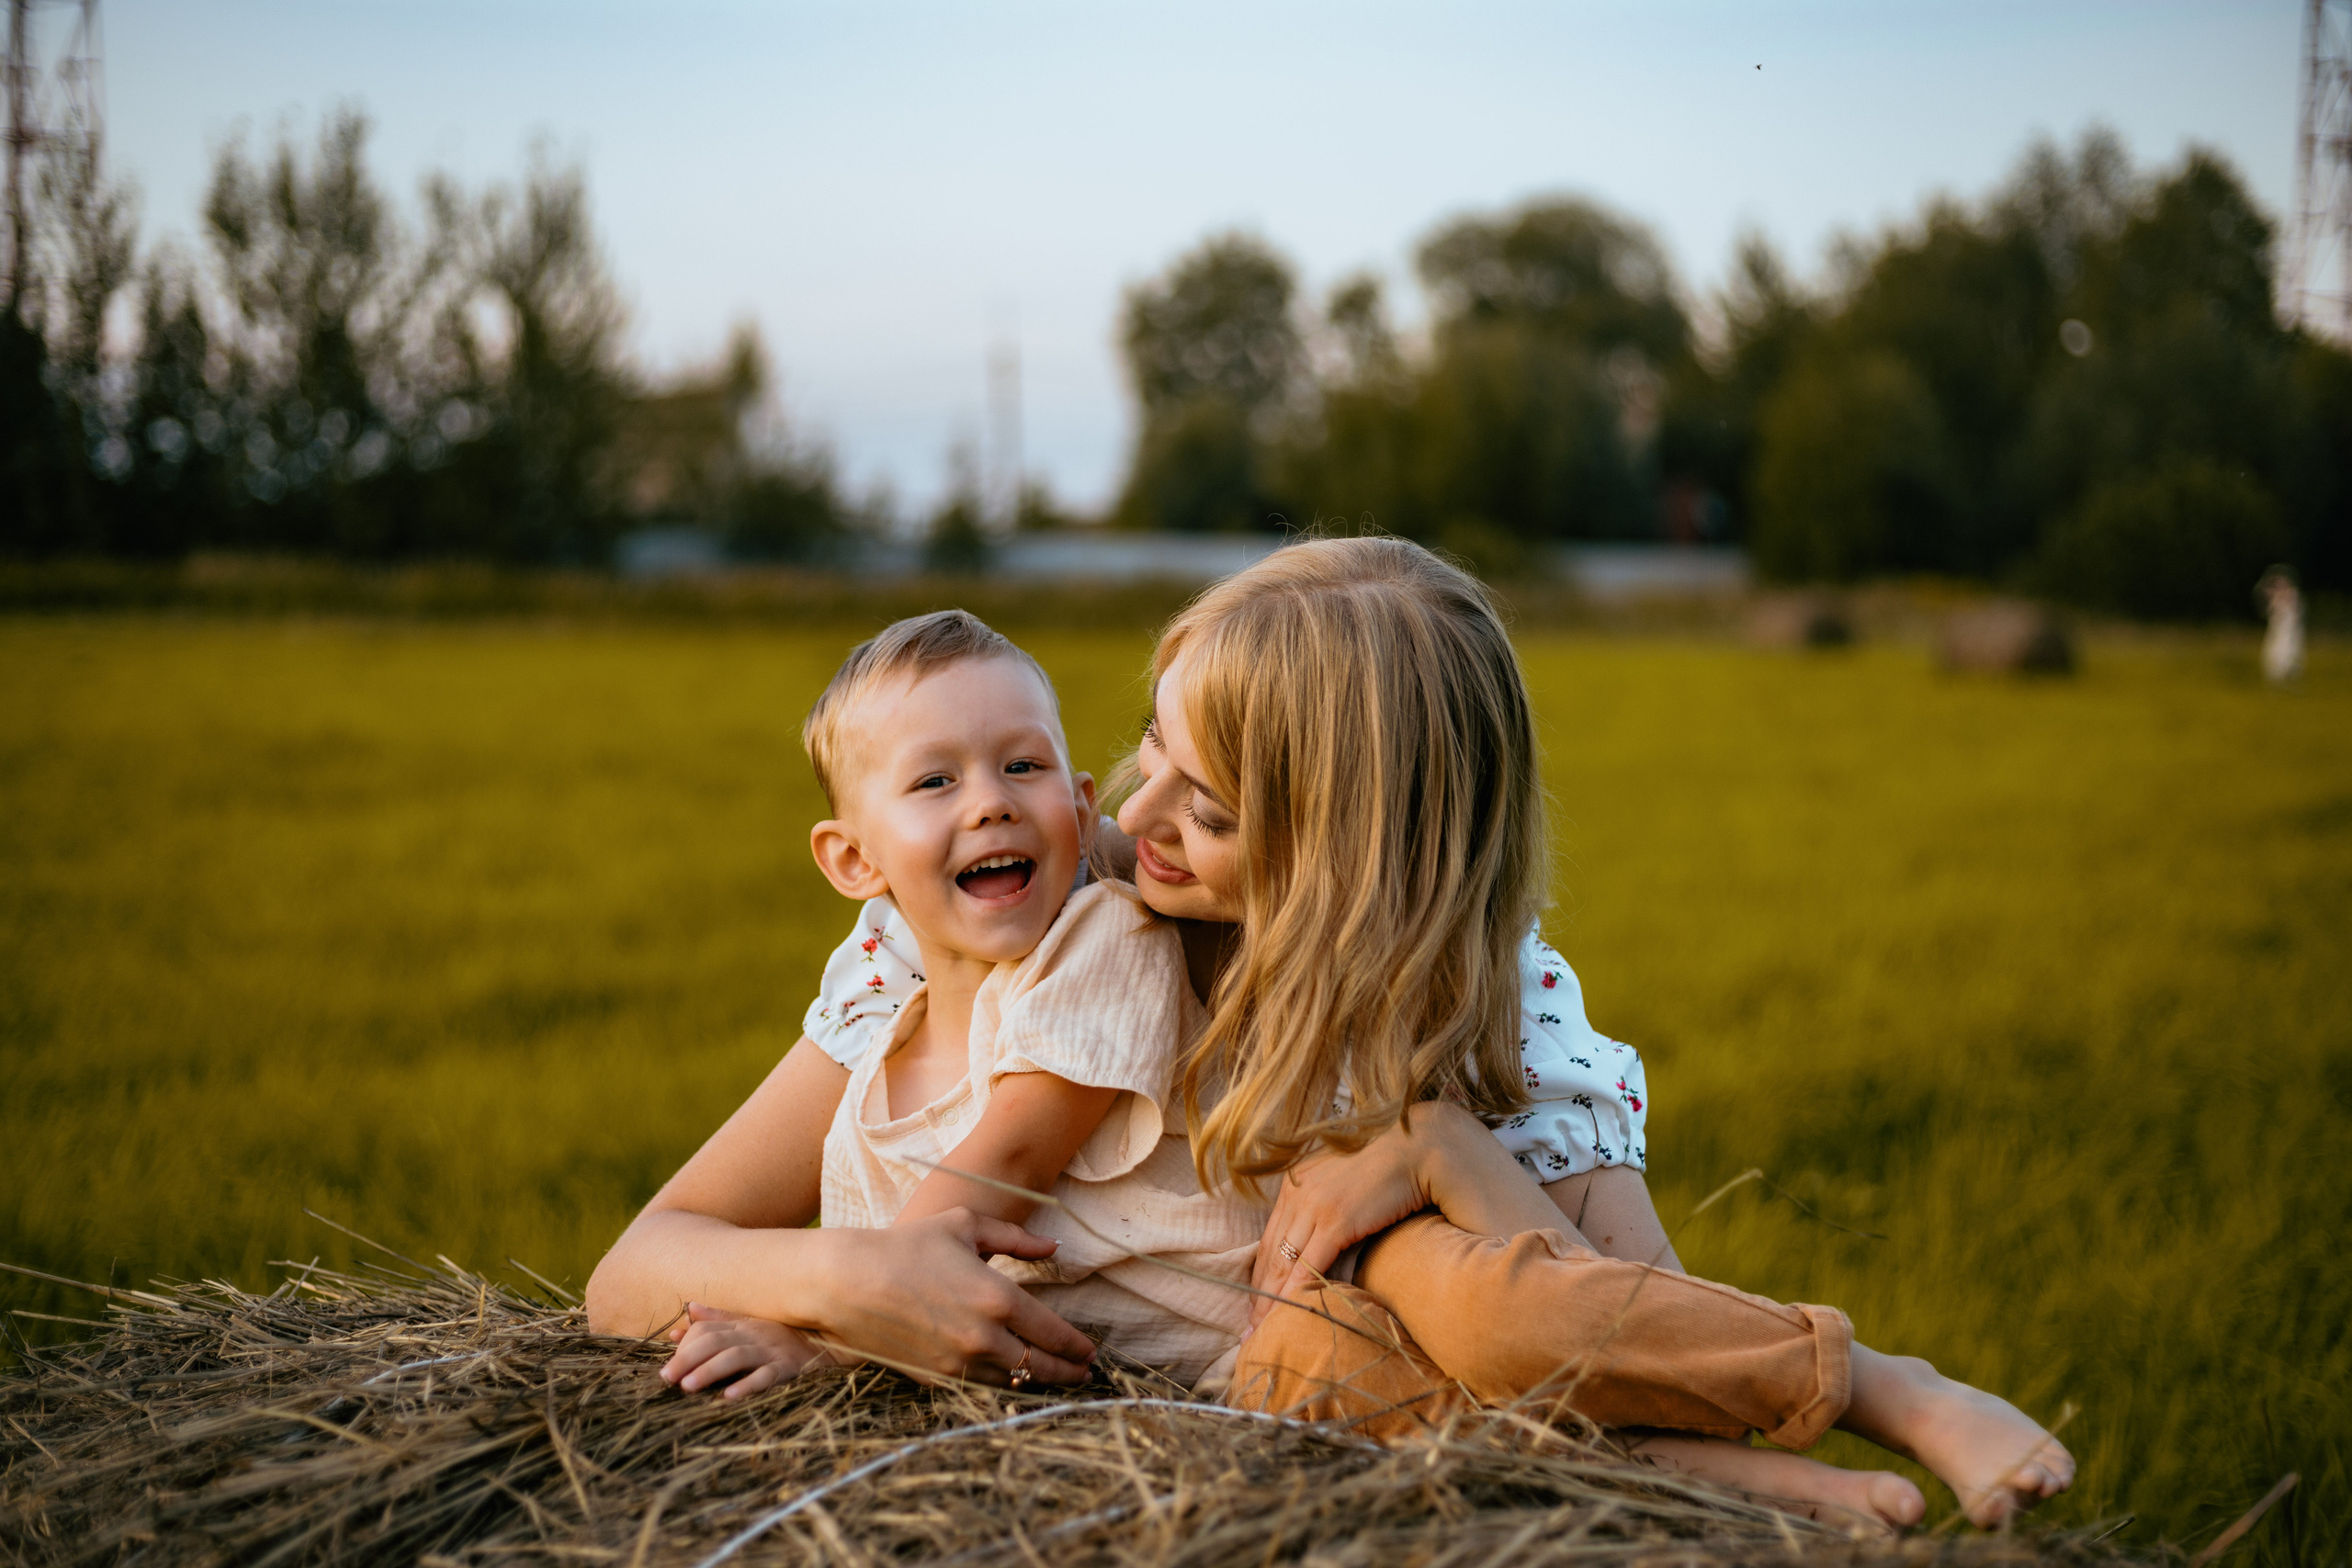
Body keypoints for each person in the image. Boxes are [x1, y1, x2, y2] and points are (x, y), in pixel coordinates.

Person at [590, 544, 2073, 1529]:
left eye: (1210, 806)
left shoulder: (1501, 1013)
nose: (1130, 813)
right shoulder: (1027, 904)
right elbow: (640, 1267)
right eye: (1148, 747)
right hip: (1287, 1366)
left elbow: (1626, 1329)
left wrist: (1438, 1142)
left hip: (1407, 1298)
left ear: (1344, 861)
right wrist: (838, 1287)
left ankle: (1888, 1390)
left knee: (1480, 1336)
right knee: (1326, 1384)